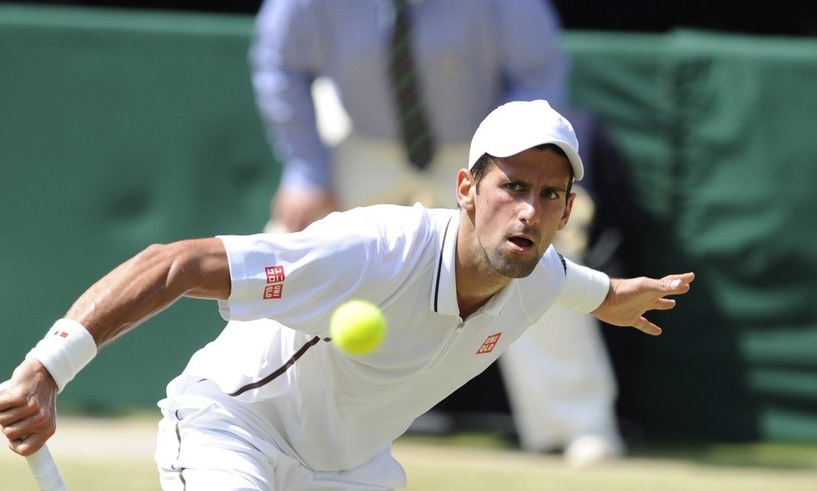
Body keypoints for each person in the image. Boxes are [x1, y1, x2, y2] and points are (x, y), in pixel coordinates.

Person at [0, 100, 694, 491]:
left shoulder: (539, 273)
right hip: (234, 428)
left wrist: (616, 297)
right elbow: (176, 263)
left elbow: (576, 283)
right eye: (511, 187)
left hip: (348, 471)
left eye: (548, 195)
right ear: (467, 189)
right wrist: (48, 366)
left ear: (568, 210)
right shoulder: (371, 251)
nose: (529, 211)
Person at [250, 0, 624, 462]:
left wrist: (517, 160)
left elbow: (537, 72)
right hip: (363, 140)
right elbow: (278, 64)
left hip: (485, 151)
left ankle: (577, 423)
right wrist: (307, 170)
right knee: (293, 239)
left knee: (537, 255)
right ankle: (255, 404)